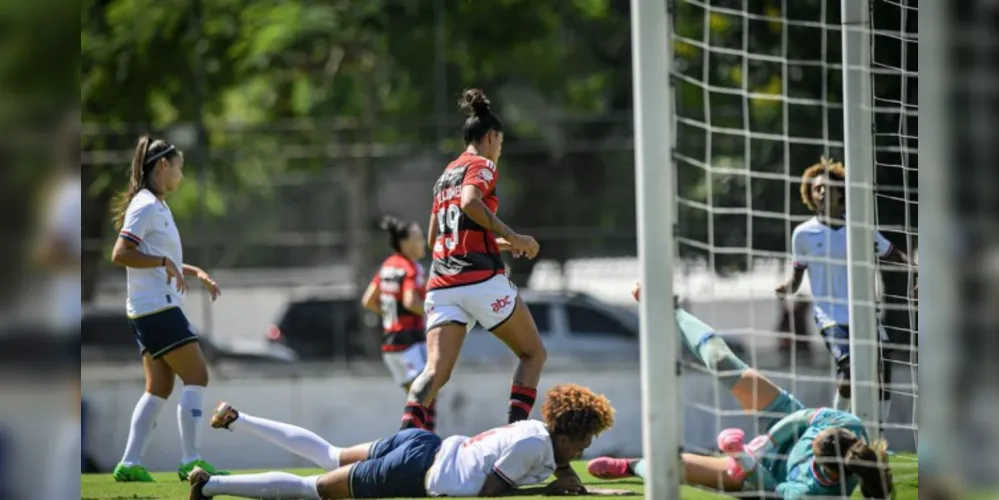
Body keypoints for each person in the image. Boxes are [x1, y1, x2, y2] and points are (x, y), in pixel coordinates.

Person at [588, 283, 894, 499]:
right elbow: (804, 419)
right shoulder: (848, 427)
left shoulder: (808, 495)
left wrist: (745, 457)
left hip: (764, 475)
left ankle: (630, 466)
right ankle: (672, 308)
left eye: (813, 455)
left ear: (827, 470)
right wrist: (770, 440)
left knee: (674, 466)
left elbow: (772, 487)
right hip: (783, 423)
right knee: (722, 361)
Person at [398, 88, 546, 430]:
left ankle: (402, 444)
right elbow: (469, 202)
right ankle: (513, 438)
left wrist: (499, 245)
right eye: (501, 143)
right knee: (533, 354)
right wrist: (514, 236)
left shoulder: (443, 176)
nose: (500, 151)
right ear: (492, 137)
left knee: (434, 372)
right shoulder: (482, 165)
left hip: (441, 286)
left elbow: (438, 239)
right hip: (480, 281)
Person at [188, 383, 615, 499]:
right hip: (416, 471)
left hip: (423, 443)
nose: (585, 450)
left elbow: (556, 460)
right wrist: (546, 491)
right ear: (568, 432)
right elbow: (488, 495)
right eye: (585, 440)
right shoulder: (536, 448)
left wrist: (568, 477)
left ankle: (238, 419)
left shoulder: (536, 432)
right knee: (312, 490)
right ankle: (211, 486)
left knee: (330, 454)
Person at [109, 136, 227, 482]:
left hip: (148, 310)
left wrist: (191, 270)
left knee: (159, 387)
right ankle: (191, 459)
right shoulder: (145, 205)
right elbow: (120, 253)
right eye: (179, 167)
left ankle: (129, 463)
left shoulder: (156, 205)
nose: (181, 175)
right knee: (198, 376)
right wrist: (164, 261)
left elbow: (162, 258)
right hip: (157, 310)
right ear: (163, 165)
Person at [775, 157, 915, 418]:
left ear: (841, 192)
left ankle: (876, 437)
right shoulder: (803, 234)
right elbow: (797, 276)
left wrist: (916, 270)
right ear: (811, 195)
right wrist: (786, 288)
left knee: (882, 368)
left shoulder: (859, 228)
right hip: (830, 315)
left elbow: (891, 252)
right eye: (817, 188)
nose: (822, 192)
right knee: (850, 369)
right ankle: (836, 424)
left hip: (864, 314)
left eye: (828, 186)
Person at [360, 215, 437, 431]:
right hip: (408, 342)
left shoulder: (388, 266)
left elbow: (368, 300)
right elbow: (411, 301)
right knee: (425, 397)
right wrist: (434, 311)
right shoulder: (411, 268)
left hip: (390, 344)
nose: (422, 242)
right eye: (418, 238)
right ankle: (420, 447)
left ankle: (417, 444)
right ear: (404, 243)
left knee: (418, 398)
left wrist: (389, 316)